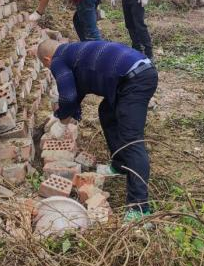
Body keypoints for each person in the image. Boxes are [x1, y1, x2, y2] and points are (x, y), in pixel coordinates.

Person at [37, 38, 158, 222]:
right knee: (106, 112)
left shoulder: (58, 60)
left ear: (47, 60)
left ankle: (139, 208)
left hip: (135, 80)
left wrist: (61, 122)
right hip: (135, 71)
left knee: (131, 140)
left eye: (47, 66)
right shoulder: (72, 52)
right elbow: (78, 91)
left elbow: (69, 97)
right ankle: (120, 165)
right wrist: (62, 115)